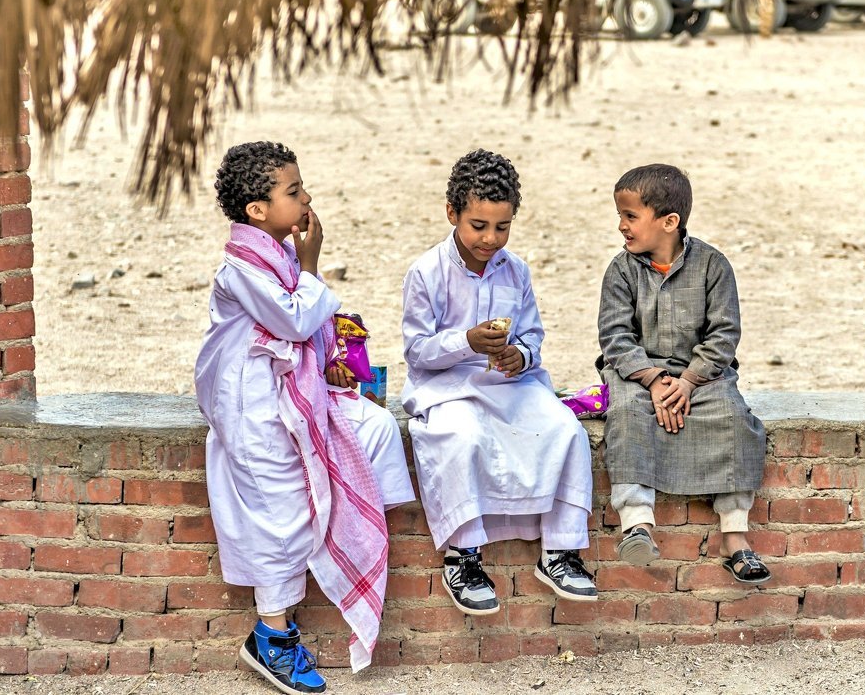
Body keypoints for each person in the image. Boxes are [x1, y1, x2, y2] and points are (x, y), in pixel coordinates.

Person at [195, 142, 415, 693]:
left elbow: (305, 333)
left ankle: (354, 524)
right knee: (281, 515)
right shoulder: (241, 269)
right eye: (294, 192)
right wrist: (312, 263)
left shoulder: (276, 254)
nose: (307, 198)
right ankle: (271, 637)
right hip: (253, 413)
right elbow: (293, 320)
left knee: (374, 430)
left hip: (288, 399)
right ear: (257, 211)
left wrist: (329, 362)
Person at [401, 148, 598, 615]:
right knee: (462, 437)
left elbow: (533, 335)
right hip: (448, 387)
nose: (491, 238)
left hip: (511, 386)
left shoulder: (516, 270)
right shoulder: (426, 272)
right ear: (452, 214)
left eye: (502, 226)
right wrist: (466, 341)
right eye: (479, 225)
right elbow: (417, 351)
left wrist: (520, 355)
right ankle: (463, 556)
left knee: (566, 430)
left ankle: (560, 550)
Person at [597, 164, 770, 584]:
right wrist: (654, 380)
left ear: (669, 222)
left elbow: (724, 335)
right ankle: (637, 522)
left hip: (702, 375)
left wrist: (689, 381)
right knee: (628, 414)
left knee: (732, 417)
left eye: (630, 216)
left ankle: (735, 535)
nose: (621, 226)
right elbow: (615, 337)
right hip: (637, 373)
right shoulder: (621, 270)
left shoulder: (713, 266)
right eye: (620, 215)